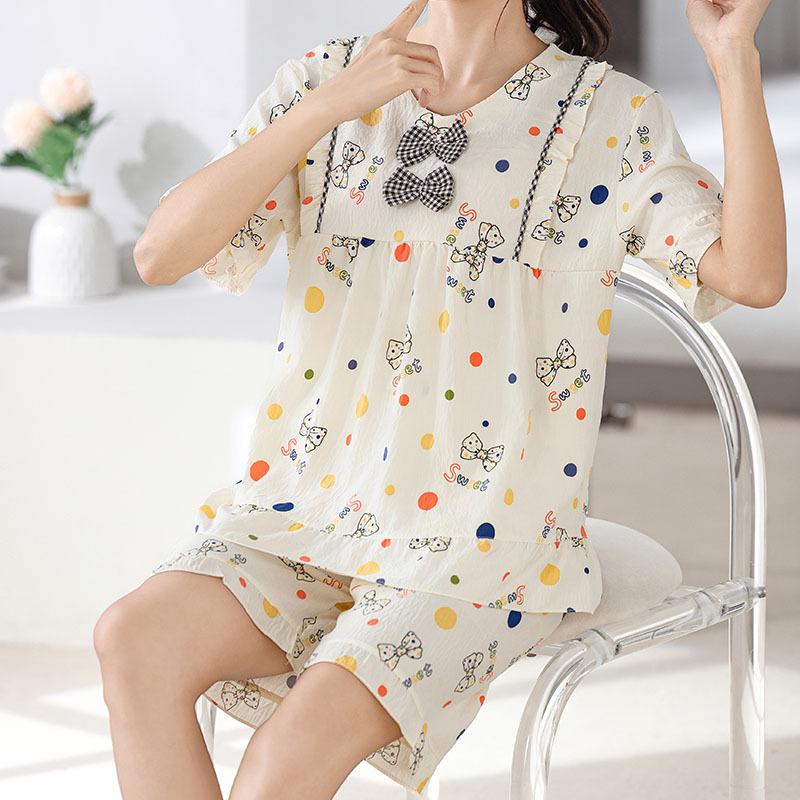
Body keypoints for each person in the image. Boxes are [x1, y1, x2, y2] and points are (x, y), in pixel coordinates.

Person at [95, 1, 786, 798]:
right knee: (134, 638)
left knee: (285, 759)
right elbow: (161, 254)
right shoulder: (325, 79)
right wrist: (327, 107)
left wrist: (732, 55)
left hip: (481, 542)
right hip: (305, 513)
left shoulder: (610, 115)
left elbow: (754, 275)